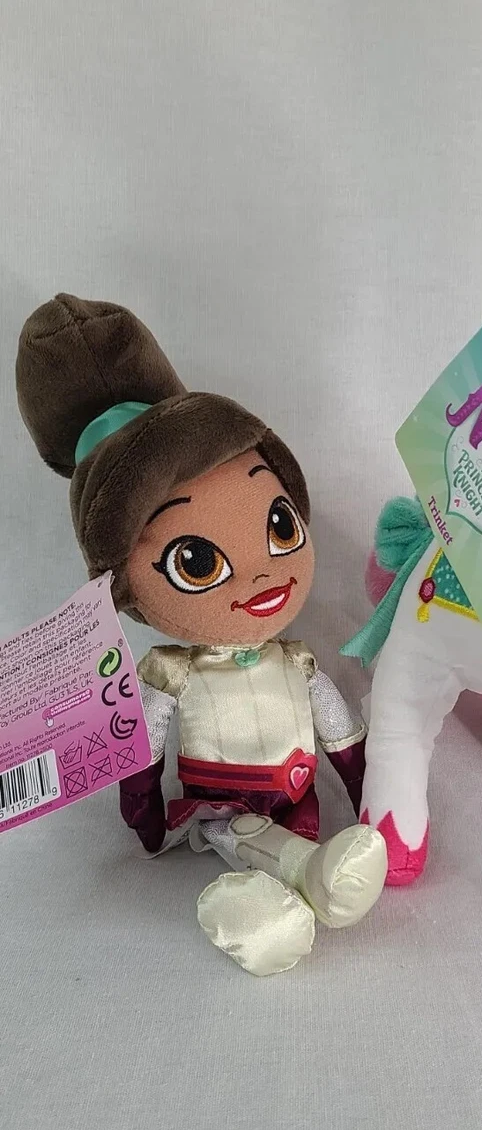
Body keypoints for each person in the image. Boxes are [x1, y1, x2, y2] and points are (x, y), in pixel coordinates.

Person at [16, 293, 386, 976]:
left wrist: (367, 789)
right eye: (196, 561)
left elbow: (341, 733)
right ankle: (272, 900)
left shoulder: (298, 661)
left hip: (296, 791)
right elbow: (140, 749)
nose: (261, 573)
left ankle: (308, 876)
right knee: (238, 834)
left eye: (279, 526)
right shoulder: (174, 673)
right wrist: (145, 813)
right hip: (220, 803)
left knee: (298, 825)